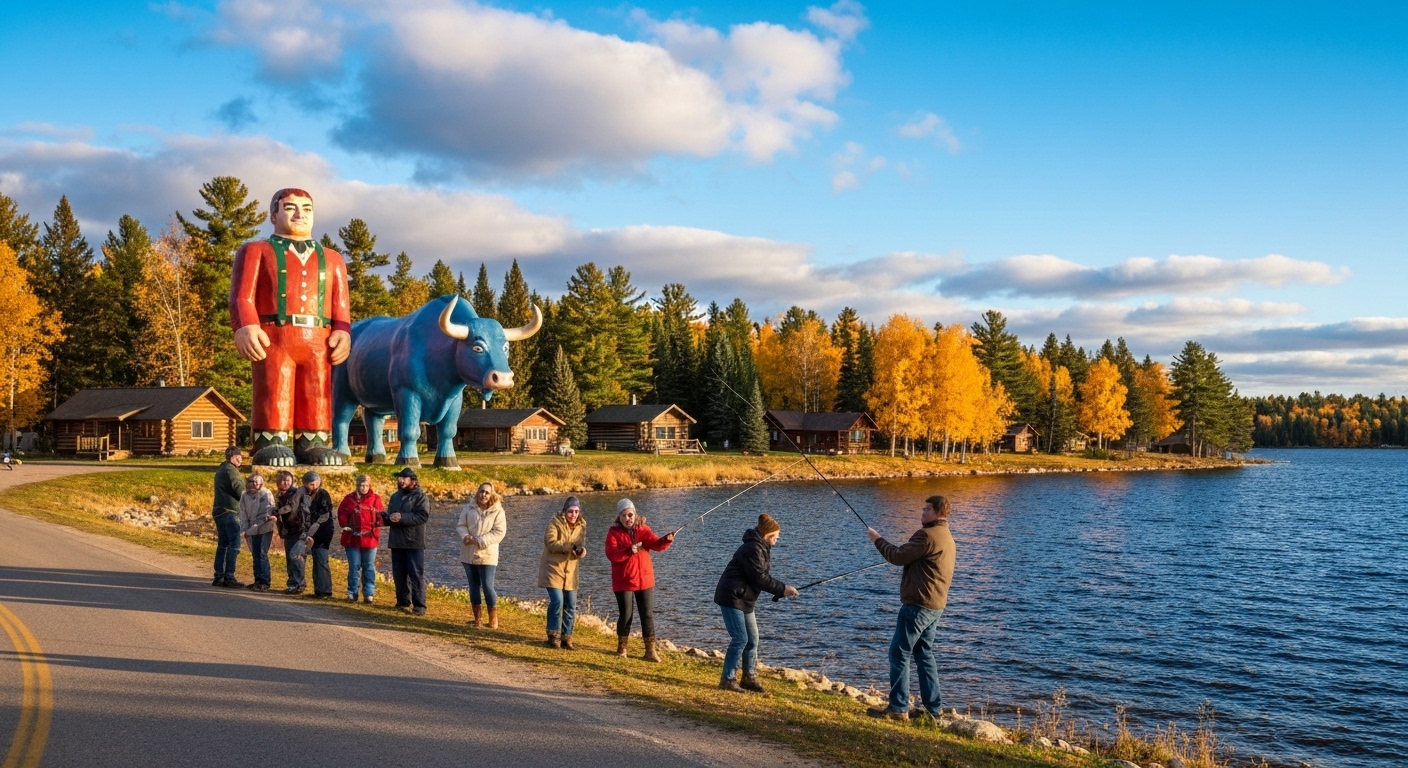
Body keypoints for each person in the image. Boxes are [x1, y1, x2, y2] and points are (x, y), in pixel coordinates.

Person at [229, 187, 351, 467]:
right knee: (274, 386)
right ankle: (271, 441)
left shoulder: (332, 258)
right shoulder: (256, 250)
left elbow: (340, 304)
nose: (300, 214)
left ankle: (314, 442)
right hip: (275, 335)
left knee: (317, 389)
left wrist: (343, 330)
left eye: (307, 209)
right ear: (274, 215)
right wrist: (246, 325)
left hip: (319, 337)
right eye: (290, 207)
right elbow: (241, 296)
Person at [865, 495, 957, 722]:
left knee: (899, 653)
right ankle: (933, 710)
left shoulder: (926, 535)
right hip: (935, 605)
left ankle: (898, 708)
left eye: (926, 509)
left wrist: (877, 539)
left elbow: (897, 556)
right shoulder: (946, 536)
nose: (922, 513)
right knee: (924, 654)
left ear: (937, 512)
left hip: (918, 605)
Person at [712, 513, 798, 693]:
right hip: (732, 596)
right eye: (776, 536)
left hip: (745, 598)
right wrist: (782, 589)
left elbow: (759, 578)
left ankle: (748, 678)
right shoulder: (753, 548)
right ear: (767, 535)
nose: (778, 539)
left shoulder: (762, 547)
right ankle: (727, 679)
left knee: (753, 639)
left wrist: (779, 591)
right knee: (740, 638)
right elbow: (759, 578)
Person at [604, 499, 674, 662]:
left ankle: (650, 651)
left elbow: (656, 544)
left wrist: (666, 540)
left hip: (644, 579)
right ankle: (622, 649)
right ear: (619, 517)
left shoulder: (643, 529)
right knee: (626, 614)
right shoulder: (613, 532)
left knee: (647, 615)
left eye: (630, 514)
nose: (628, 518)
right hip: (623, 580)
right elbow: (611, 554)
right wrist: (629, 550)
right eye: (624, 515)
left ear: (635, 514)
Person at [537, 496, 586, 649]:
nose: (573, 515)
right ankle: (553, 635)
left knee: (570, 604)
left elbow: (580, 545)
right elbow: (550, 542)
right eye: (570, 511)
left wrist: (581, 551)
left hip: (570, 571)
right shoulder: (554, 522)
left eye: (576, 511)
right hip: (553, 569)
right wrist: (568, 547)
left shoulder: (581, 526)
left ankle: (567, 637)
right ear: (564, 511)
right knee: (557, 601)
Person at [457, 482, 506, 629]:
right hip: (469, 552)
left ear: (491, 495)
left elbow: (499, 532)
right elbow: (461, 525)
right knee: (473, 586)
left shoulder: (498, 511)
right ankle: (477, 619)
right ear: (477, 493)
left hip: (487, 553)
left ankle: (493, 619)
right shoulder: (469, 508)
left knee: (487, 585)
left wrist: (480, 540)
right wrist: (465, 536)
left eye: (486, 493)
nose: (483, 495)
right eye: (481, 492)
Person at [385, 467, 430, 615]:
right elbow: (391, 515)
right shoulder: (395, 496)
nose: (400, 480)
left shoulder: (421, 497)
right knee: (399, 573)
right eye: (399, 477)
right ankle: (402, 602)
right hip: (396, 541)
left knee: (416, 574)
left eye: (404, 478)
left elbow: (422, 516)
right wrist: (386, 517)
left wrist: (402, 518)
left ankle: (419, 606)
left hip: (413, 542)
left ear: (413, 481)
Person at [337, 474, 384, 603]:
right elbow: (341, 513)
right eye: (361, 485)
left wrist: (377, 525)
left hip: (370, 539)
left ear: (370, 486)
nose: (364, 488)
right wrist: (345, 524)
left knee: (368, 566)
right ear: (357, 486)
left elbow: (381, 517)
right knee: (354, 566)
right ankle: (352, 592)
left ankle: (369, 593)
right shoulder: (349, 499)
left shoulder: (375, 499)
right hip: (352, 539)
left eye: (366, 485)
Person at [295, 471, 336, 598]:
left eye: (315, 484)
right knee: (309, 560)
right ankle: (317, 590)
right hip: (308, 532)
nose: (313, 486)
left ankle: (324, 591)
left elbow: (323, 516)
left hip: (322, 532)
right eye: (310, 484)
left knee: (321, 560)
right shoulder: (303, 495)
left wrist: (310, 531)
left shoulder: (323, 495)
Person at [211, 446, 245, 587]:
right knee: (234, 545)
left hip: (220, 511)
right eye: (238, 456)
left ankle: (219, 576)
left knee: (223, 545)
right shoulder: (230, 470)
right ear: (231, 456)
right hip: (229, 511)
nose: (240, 459)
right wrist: (250, 499)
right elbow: (239, 490)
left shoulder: (222, 469)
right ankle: (229, 577)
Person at [238, 473, 277, 591]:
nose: (254, 484)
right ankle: (257, 580)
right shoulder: (245, 495)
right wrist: (244, 530)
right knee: (255, 554)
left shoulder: (266, 494)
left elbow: (266, 514)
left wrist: (251, 529)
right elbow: (243, 513)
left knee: (262, 553)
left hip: (264, 527)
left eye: (257, 482)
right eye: (251, 481)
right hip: (252, 528)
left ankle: (264, 581)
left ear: (262, 483)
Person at [273, 470, 308, 593]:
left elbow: (291, 508)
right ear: (278, 482)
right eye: (282, 480)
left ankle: (299, 584)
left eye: (288, 480)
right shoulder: (280, 495)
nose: (285, 482)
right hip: (288, 531)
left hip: (299, 529)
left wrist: (276, 512)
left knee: (296, 556)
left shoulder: (296, 493)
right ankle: (292, 583)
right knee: (290, 557)